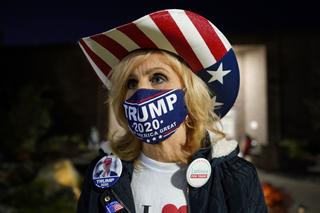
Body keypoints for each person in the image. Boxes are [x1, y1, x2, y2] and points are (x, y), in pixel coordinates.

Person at [77, 9, 267, 213]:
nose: (141, 92)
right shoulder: (103, 174)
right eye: (131, 83)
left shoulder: (236, 176)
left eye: (157, 78)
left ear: (189, 93)